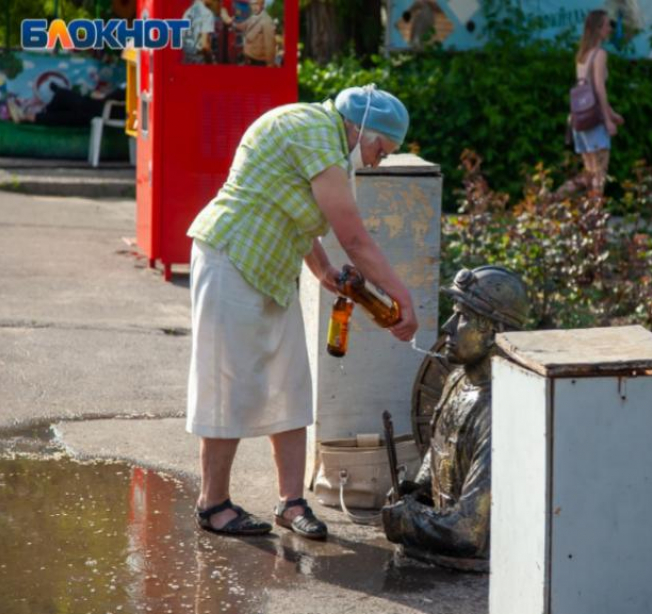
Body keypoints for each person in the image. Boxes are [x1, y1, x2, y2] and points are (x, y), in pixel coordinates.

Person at [187, 85, 419, 540]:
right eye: (379, 149)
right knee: (226, 384)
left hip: (269, 267)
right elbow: (354, 237)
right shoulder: (314, 132)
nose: (376, 161)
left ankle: (291, 503)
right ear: (361, 129)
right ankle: (212, 503)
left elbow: (294, 208)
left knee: (290, 384)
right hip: (231, 258)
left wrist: (324, 270)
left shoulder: (327, 138)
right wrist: (403, 298)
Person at [381, 266, 529, 571]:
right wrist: (418, 488)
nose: (447, 327)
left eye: (462, 317)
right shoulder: (457, 380)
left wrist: (407, 520)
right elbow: (442, 447)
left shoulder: (501, 410)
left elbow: (468, 532)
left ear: (493, 332)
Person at [566, 9, 624, 196]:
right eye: (607, 25)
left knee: (589, 174)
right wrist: (607, 120)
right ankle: (595, 216)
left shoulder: (582, 55)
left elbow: (587, 90)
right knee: (599, 174)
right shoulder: (600, 54)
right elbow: (599, 88)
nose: (610, 29)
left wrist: (612, 113)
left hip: (579, 119)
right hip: (594, 121)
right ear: (598, 29)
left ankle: (553, 198)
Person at [222, 0, 277, 66]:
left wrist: (270, 64)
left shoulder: (267, 21)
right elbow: (241, 26)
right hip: (249, 60)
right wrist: (230, 22)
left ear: (262, 5)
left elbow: (270, 47)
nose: (254, 7)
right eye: (252, 4)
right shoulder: (253, 18)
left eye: (256, 4)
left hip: (258, 63)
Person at [182, 0, 216, 64]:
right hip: (200, 60)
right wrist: (211, 62)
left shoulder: (187, 12)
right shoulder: (207, 14)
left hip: (186, 59)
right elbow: (204, 46)